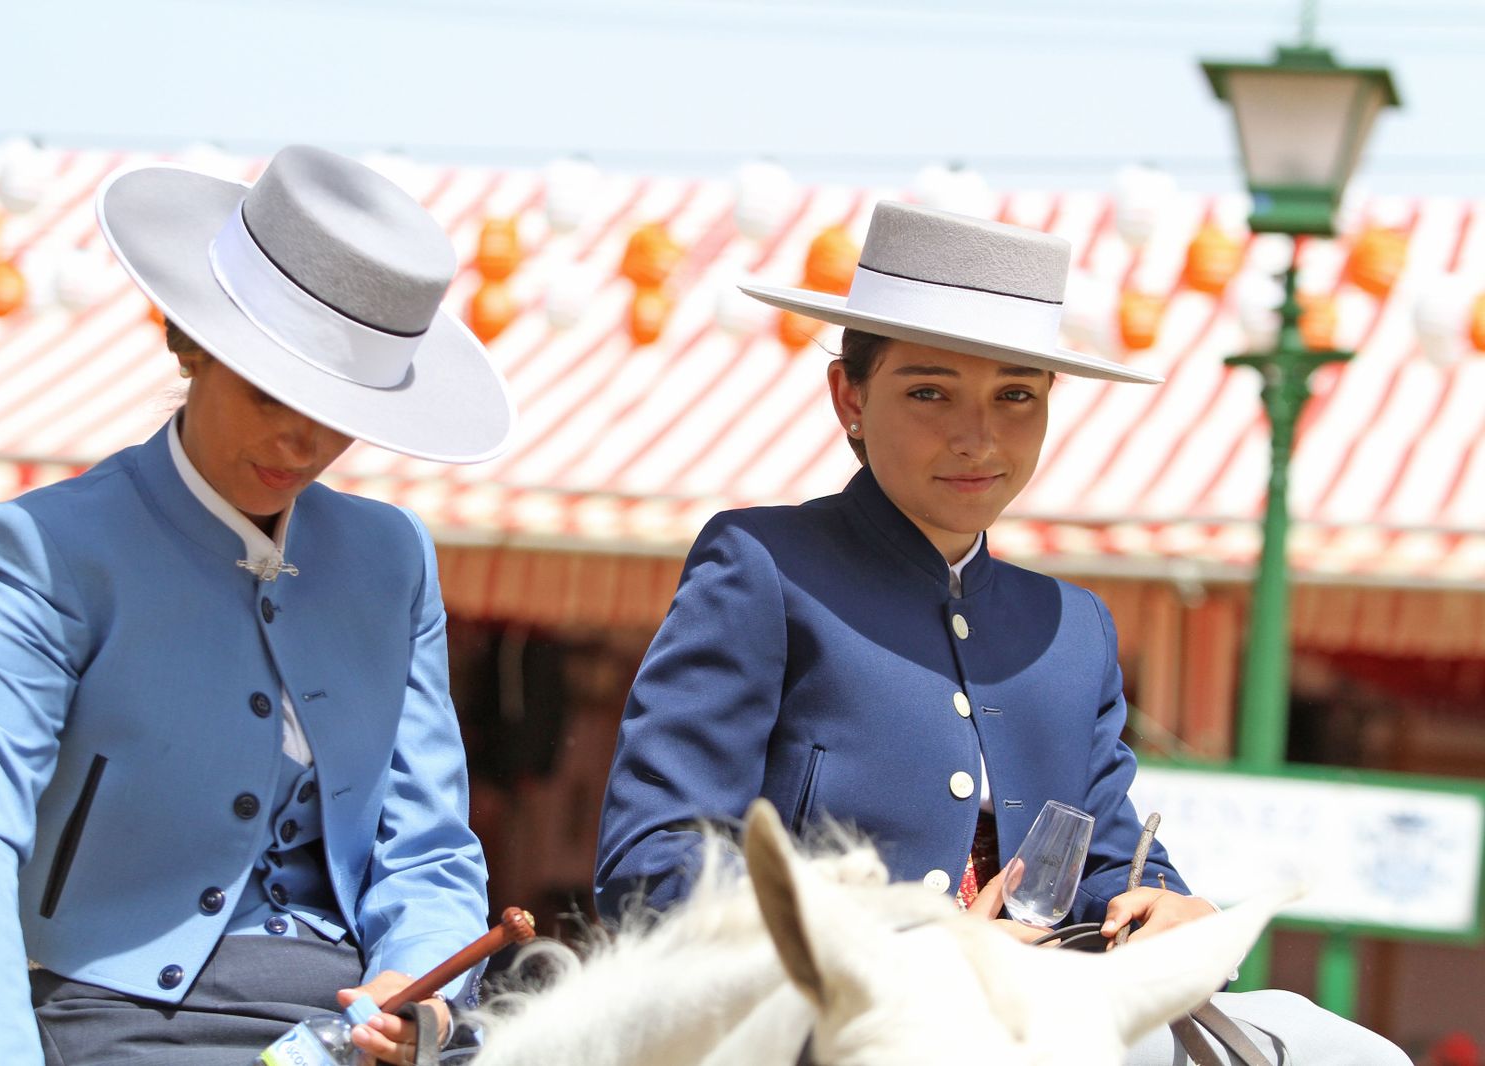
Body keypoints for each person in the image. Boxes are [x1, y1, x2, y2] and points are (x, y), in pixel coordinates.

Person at [595, 202, 1410, 1065]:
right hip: (835, 1025)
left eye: (1015, 394)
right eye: (929, 391)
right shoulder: (764, 565)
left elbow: (1104, 848)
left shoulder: (1071, 628)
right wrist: (904, 948)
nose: (977, 435)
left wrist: (1167, 901)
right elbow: (656, 860)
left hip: (1050, 1009)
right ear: (851, 397)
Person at [0, 145, 513, 1066]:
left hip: (358, 1020)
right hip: (117, 1014)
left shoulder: (393, 560)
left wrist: (417, 990)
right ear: (189, 342)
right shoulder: (49, 548)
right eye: (272, 392)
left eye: (339, 411)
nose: (302, 441)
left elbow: (424, 850)